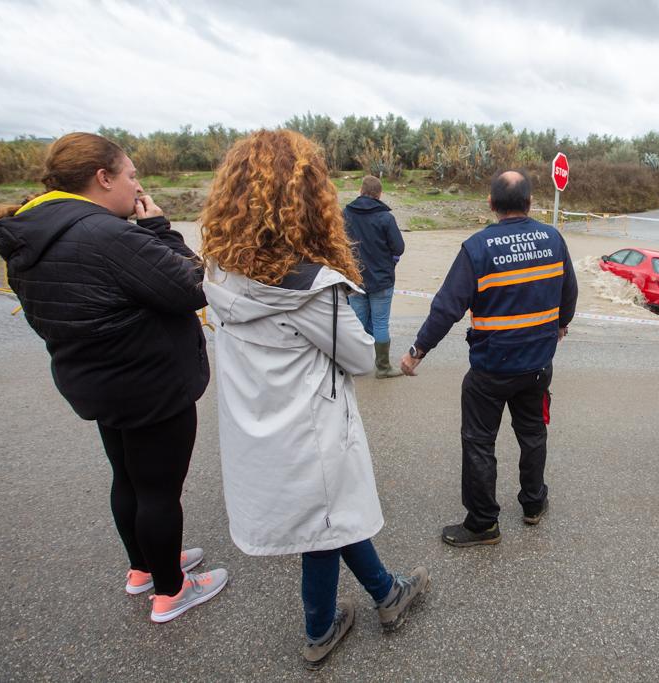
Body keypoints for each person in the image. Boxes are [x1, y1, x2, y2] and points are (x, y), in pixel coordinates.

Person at [199, 130, 429, 667]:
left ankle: (386, 592)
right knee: (325, 520)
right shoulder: (309, 287)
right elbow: (356, 357)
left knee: (325, 516)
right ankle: (321, 629)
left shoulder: (220, 268)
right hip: (309, 426)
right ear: (307, 202)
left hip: (256, 419)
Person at [0, 132, 226, 623]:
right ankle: (172, 591)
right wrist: (157, 225)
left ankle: (145, 568)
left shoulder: (32, 230)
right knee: (158, 490)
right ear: (103, 177)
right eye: (132, 176)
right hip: (149, 381)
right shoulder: (107, 236)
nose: (137, 187)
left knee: (128, 478)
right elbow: (191, 286)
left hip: (94, 378)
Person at [400, 170, 579, 547]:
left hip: (491, 369)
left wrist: (418, 352)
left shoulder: (477, 248)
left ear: (491, 204)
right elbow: (570, 291)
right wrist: (560, 325)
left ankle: (483, 524)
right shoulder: (553, 238)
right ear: (530, 203)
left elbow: (447, 306)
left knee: (480, 441)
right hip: (537, 367)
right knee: (532, 433)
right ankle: (533, 504)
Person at [343, 175, 406, 378]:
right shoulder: (386, 218)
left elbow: (338, 244)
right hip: (382, 280)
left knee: (357, 322)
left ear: (361, 191)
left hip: (354, 279)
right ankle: (383, 368)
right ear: (379, 194)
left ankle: (355, 366)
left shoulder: (345, 214)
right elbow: (399, 247)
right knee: (380, 323)